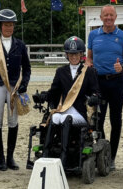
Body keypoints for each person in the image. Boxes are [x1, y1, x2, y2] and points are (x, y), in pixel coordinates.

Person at [0, 9, 31, 171]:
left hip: (14, 87)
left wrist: (24, 84)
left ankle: (10, 157)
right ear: (0, 26)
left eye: (11, 25)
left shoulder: (20, 45)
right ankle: (1, 158)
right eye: (5, 25)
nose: (8, 28)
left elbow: (27, 68)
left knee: (13, 121)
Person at [86, 4, 123, 170]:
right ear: (101, 18)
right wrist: (89, 65)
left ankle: (111, 156)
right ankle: (103, 150)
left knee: (116, 119)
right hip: (98, 83)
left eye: (111, 15)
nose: (108, 18)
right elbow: (89, 58)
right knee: (98, 120)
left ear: (115, 17)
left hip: (117, 82)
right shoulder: (93, 35)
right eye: (105, 15)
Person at [42, 36, 100, 168]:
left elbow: (95, 91)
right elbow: (54, 91)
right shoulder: (60, 71)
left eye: (77, 53)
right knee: (54, 117)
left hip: (80, 112)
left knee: (66, 118)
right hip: (64, 109)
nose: (74, 56)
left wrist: (94, 97)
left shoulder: (89, 72)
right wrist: (44, 96)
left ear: (81, 55)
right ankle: (46, 154)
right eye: (71, 54)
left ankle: (64, 156)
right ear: (67, 55)